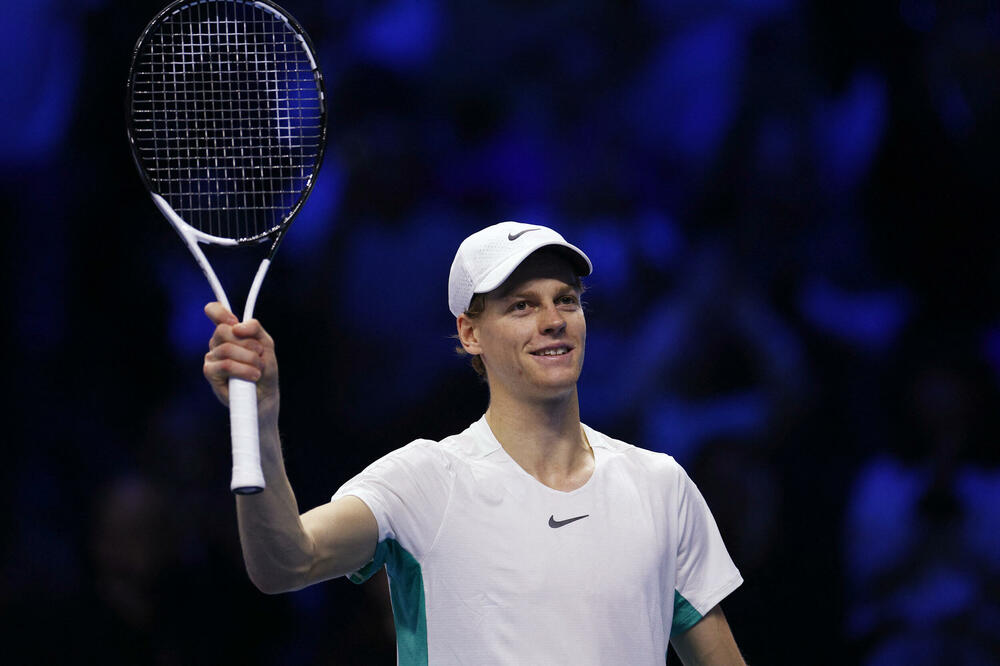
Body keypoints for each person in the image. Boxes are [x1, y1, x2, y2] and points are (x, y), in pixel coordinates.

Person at [203, 222, 746, 665]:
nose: (553, 321)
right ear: (470, 334)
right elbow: (284, 563)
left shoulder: (661, 486)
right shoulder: (423, 480)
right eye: (521, 306)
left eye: (566, 300)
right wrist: (261, 419)